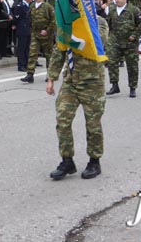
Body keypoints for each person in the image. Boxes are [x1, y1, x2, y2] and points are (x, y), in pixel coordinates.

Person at [46, 15, 108, 180]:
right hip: (71, 82)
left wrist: (74, 31)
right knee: (62, 120)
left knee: (93, 124)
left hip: (92, 82)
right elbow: (59, 50)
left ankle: (94, 161)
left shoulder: (98, 22)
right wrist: (51, 78)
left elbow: (98, 41)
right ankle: (67, 161)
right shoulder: (67, 23)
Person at [105, 0, 141, 98]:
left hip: (130, 42)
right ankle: (114, 85)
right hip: (115, 41)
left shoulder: (133, 10)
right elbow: (108, 23)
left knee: (132, 65)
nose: (117, 0)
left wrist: (134, 35)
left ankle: (132, 87)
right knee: (111, 61)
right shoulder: (112, 10)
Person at [21, 0, 55, 83]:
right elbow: (30, 18)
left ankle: (50, 75)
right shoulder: (32, 6)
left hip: (46, 35)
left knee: (49, 55)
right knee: (32, 53)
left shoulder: (47, 7)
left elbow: (53, 20)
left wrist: (47, 30)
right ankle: (30, 74)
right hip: (35, 34)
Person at [13, 0, 32, 72]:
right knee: (21, 48)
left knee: (27, 48)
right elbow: (17, 18)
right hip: (22, 30)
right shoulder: (20, 6)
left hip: (28, 30)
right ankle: (21, 65)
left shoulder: (29, 5)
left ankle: (26, 63)